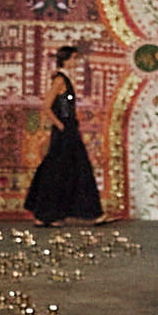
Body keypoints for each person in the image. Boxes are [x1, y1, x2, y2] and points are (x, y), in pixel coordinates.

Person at [24, 45, 104, 225]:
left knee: (65, 168)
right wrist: (60, 125)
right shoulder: (60, 80)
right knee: (65, 167)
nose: (76, 62)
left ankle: (52, 214)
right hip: (65, 130)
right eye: (74, 58)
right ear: (66, 59)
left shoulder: (65, 79)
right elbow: (46, 105)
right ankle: (49, 214)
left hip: (69, 128)